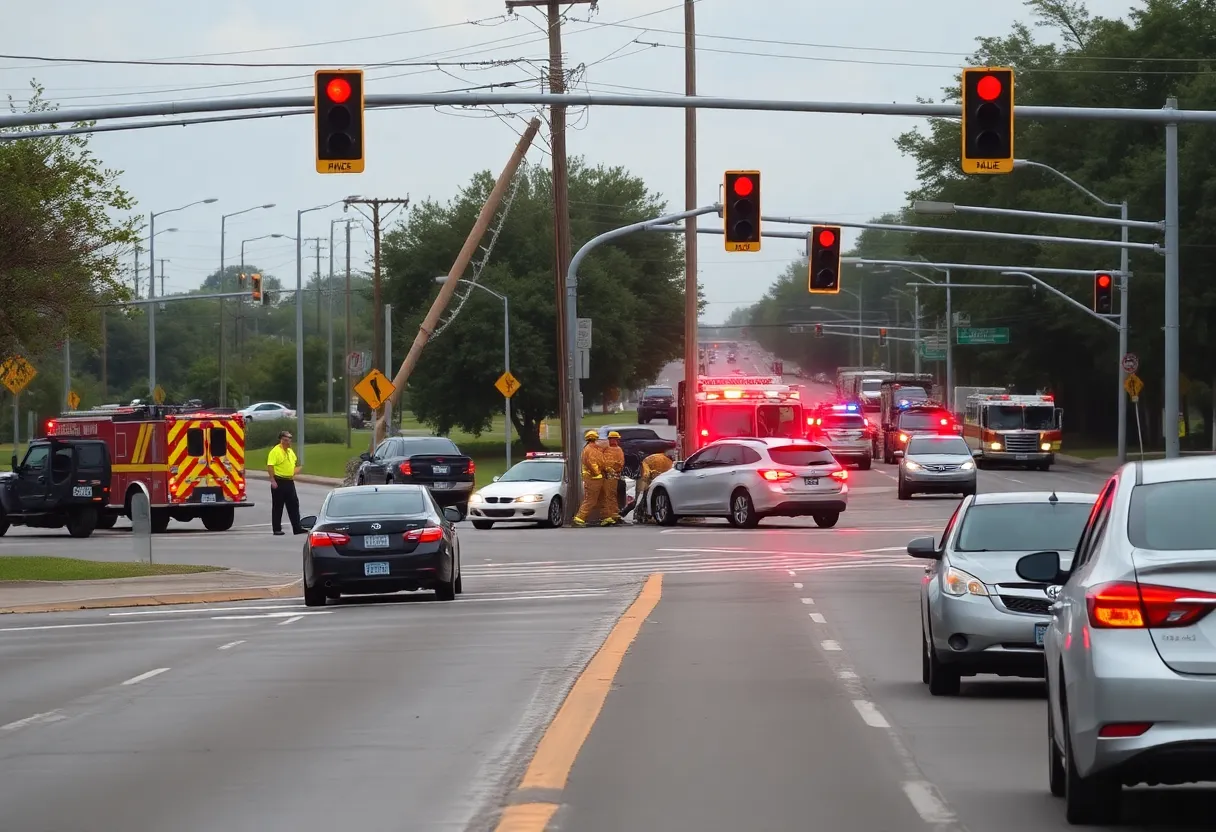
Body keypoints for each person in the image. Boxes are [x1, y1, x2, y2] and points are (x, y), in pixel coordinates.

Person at [267, 430, 303, 535]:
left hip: (289, 481)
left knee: (294, 505)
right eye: (286, 440)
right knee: (278, 506)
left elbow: (294, 463)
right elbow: (270, 466)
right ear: (281, 440)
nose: (288, 442)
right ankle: (277, 529)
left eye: (290, 440)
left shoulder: (290, 451)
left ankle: (297, 528)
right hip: (279, 481)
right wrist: (272, 480)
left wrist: (296, 470)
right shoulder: (275, 451)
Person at [628, 450, 674, 523]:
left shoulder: (655, 457)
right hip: (650, 478)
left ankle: (640, 515)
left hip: (645, 476)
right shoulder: (669, 463)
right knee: (645, 497)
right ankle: (644, 515)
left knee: (640, 496)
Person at [573, 430, 605, 527]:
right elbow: (591, 463)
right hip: (592, 478)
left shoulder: (592, 448)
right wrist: (597, 473)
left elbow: (600, 461)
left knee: (599, 499)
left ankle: (601, 517)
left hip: (595, 478)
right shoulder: (589, 449)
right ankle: (579, 518)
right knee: (590, 499)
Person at [599, 431, 625, 526]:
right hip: (612, 476)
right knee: (611, 495)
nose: (614, 440)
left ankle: (608, 516)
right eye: (612, 439)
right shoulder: (616, 449)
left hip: (609, 476)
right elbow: (620, 464)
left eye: (615, 439)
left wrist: (609, 469)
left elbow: (620, 464)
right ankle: (614, 514)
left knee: (607, 496)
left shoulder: (608, 449)